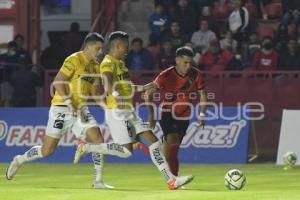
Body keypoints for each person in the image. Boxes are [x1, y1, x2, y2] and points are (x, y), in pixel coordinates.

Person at [6, 33, 131, 189]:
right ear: (88, 46)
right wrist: (69, 102)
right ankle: (20, 159)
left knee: (98, 139)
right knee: (47, 151)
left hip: (80, 110)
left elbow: (94, 93)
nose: (100, 52)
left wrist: (108, 109)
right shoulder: (73, 60)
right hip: (61, 108)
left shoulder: (95, 66)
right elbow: (58, 82)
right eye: (98, 48)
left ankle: (98, 181)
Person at [74, 31, 194, 190]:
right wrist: (115, 94)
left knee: (154, 142)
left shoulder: (121, 64)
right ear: (117, 45)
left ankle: (171, 180)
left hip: (129, 111)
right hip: (116, 111)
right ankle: (87, 147)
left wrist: (142, 88)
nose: (127, 49)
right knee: (126, 151)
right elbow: (107, 82)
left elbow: (126, 87)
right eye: (125, 46)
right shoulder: (107, 62)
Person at [145, 46, 207, 177]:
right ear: (177, 60)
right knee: (173, 140)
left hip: (184, 115)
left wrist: (202, 114)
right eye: (185, 63)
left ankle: (151, 149)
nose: (188, 66)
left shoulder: (196, 74)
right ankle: (175, 179)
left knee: (172, 150)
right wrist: (151, 115)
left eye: (190, 63)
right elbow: (148, 94)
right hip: (167, 113)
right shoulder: (166, 75)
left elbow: (203, 94)